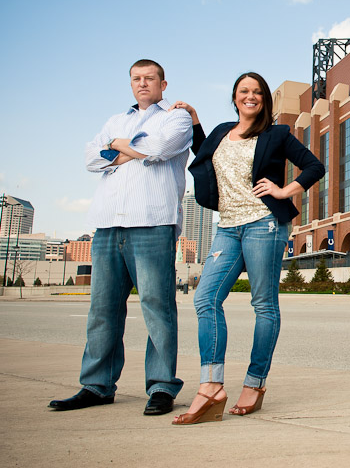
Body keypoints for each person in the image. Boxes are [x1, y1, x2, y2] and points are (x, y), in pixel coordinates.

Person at [170, 72, 324, 425]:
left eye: (257, 92)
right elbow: (204, 153)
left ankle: (255, 384)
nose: (250, 96)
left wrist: (285, 191)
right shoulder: (223, 131)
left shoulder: (277, 134)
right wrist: (195, 121)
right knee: (205, 299)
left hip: (264, 224)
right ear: (235, 97)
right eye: (244, 91)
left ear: (264, 99)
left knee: (263, 304)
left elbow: (315, 166)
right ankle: (211, 386)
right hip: (227, 227)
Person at [49, 59, 193, 416]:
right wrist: (128, 147)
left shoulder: (176, 117)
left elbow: (159, 149)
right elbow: (91, 159)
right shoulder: (116, 121)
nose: (142, 84)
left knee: (157, 308)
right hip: (108, 225)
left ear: (163, 83)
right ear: (131, 84)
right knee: (102, 310)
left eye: (150, 78)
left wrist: (117, 149)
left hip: (152, 224)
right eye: (136, 79)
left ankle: (161, 386)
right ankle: (96, 385)